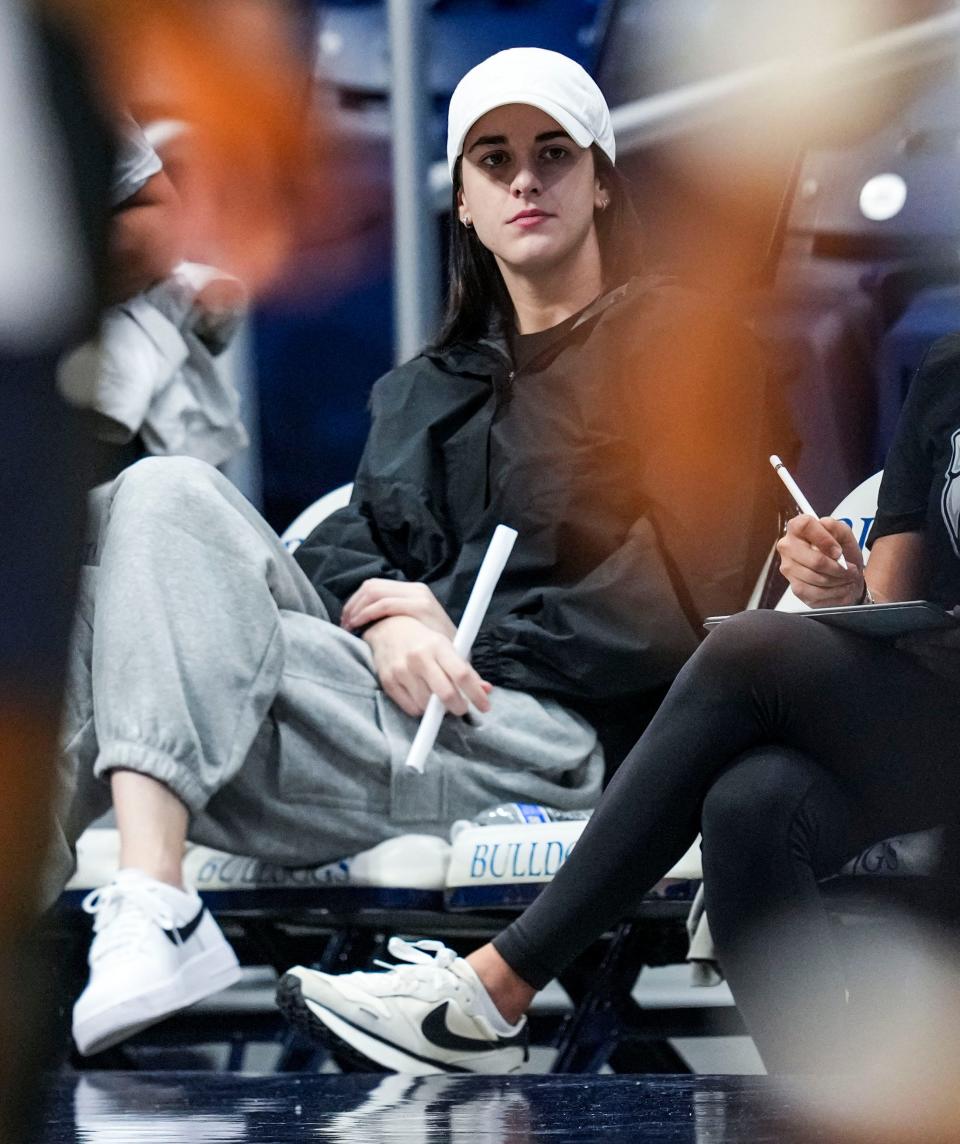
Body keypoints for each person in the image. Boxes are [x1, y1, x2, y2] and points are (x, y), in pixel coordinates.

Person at [56, 46, 777, 1058]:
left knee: (158, 507)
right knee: (127, 516)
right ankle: (142, 895)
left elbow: (681, 596)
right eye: (492, 159)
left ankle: (146, 897)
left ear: (604, 181)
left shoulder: (683, 349)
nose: (524, 179)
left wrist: (471, 645)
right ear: (467, 205)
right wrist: (393, 614)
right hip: (382, 717)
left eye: (553, 153)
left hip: (543, 736)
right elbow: (349, 551)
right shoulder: (422, 388)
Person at [277, 311, 960, 1075]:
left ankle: (496, 987)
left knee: (750, 644)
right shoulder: (948, 368)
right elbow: (892, 602)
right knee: (751, 800)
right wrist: (836, 585)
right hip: (929, 711)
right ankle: (827, 1106)